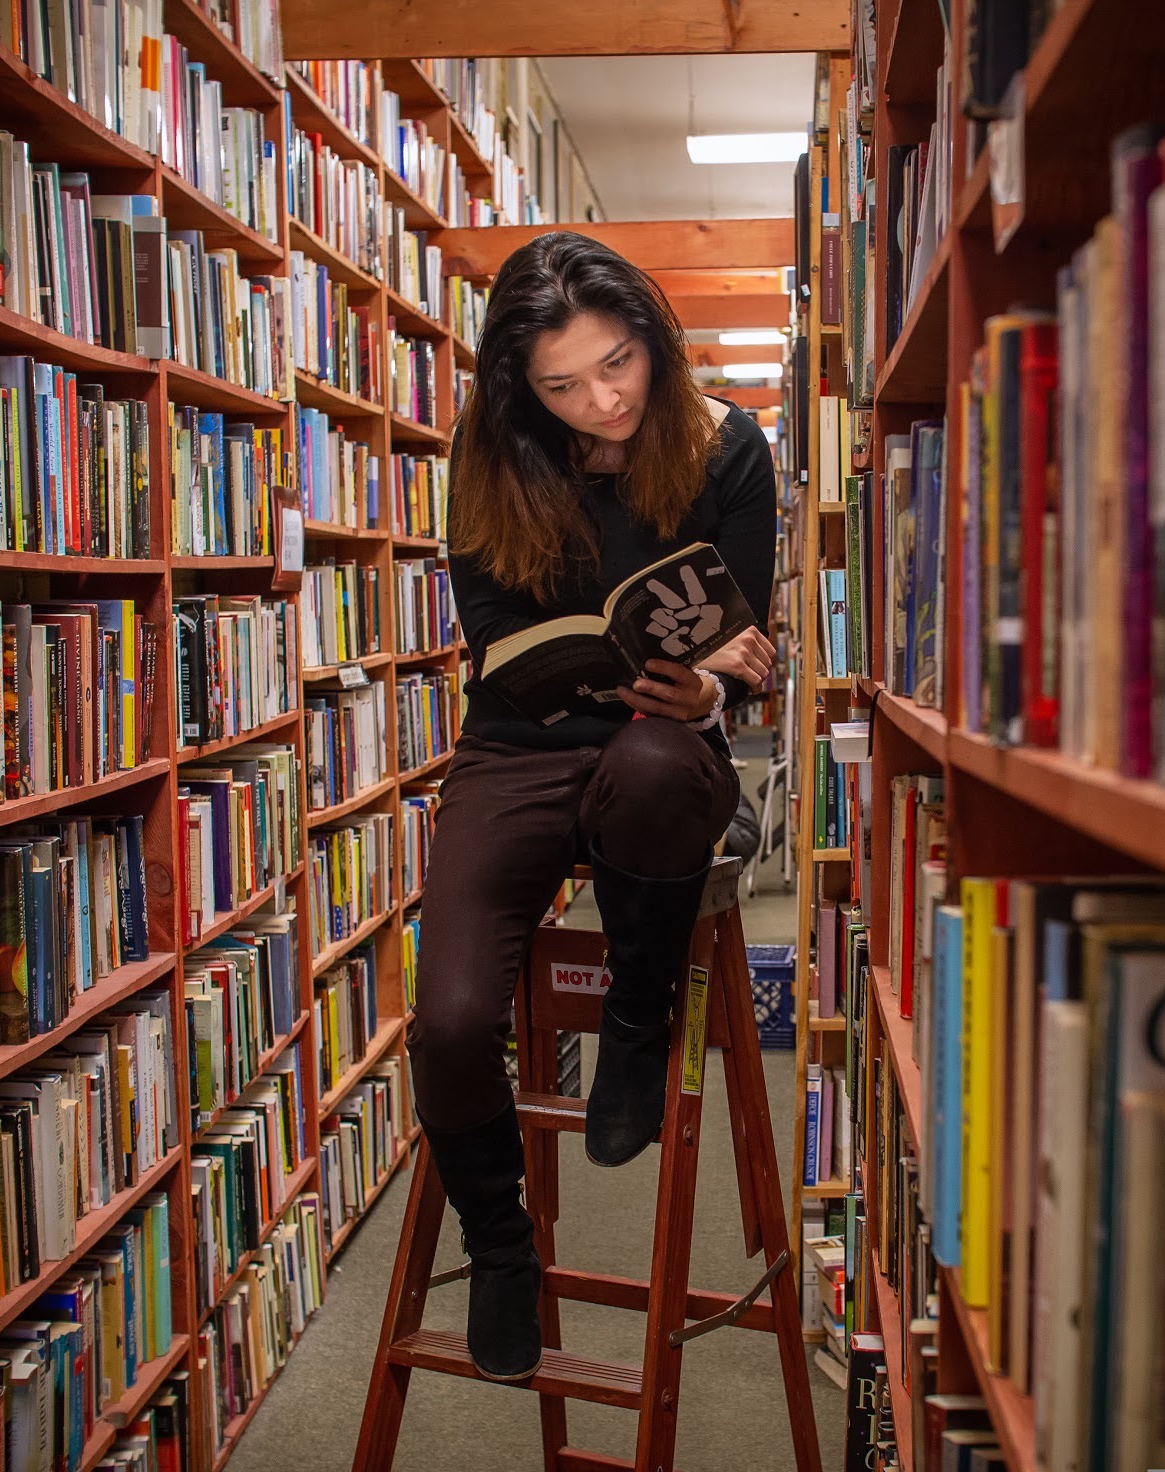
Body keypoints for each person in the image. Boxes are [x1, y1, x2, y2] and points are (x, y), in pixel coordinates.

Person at [410, 231, 778, 1383]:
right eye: (561, 384)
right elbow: (489, 633)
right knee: (452, 1021)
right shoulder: (494, 451)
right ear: (520, 388)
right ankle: (502, 1243)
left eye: (616, 363)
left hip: (659, 740)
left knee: (666, 766)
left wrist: (706, 682)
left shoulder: (727, 444)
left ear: (653, 339)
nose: (601, 399)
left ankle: (636, 1017)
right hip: (519, 743)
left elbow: (748, 634)